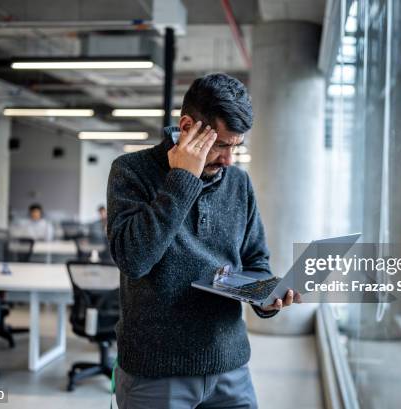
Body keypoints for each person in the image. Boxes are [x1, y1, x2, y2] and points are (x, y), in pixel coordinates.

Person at [107, 73, 300, 409]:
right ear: (187, 127)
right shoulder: (131, 171)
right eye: (220, 144)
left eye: (235, 146)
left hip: (230, 367)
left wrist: (264, 296)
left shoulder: (238, 183)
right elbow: (134, 259)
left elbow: (255, 262)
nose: (228, 159)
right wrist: (183, 178)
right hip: (155, 371)